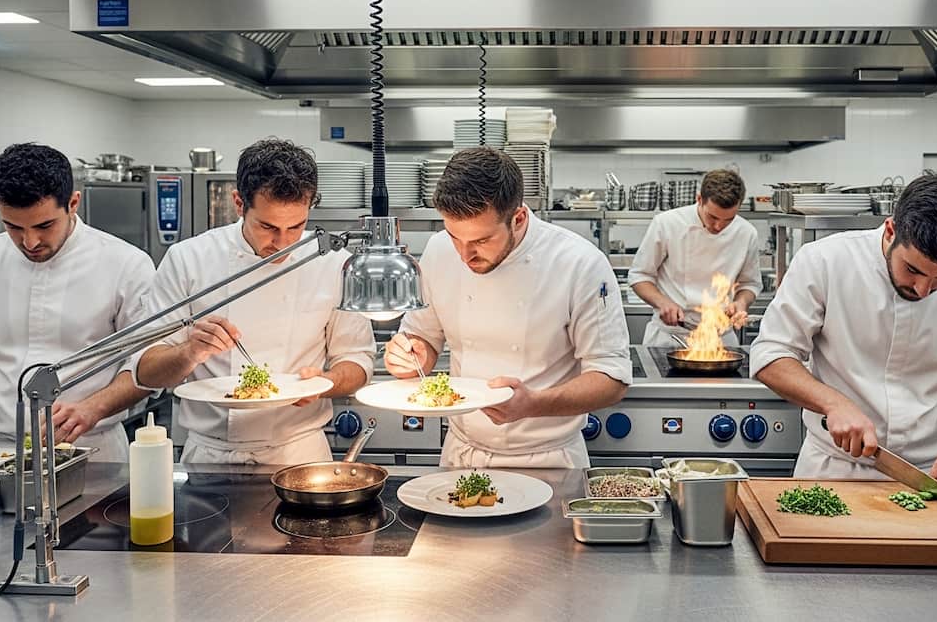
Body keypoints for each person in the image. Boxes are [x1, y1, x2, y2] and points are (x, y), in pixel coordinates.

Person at [750, 174, 937, 496]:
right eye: (913, 270)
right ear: (891, 230)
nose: (923, 290)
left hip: (930, 476)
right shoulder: (825, 261)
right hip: (833, 469)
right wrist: (833, 403)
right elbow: (772, 354)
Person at [383, 147, 632, 468]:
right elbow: (423, 338)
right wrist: (411, 356)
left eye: (481, 241)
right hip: (462, 453)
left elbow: (611, 379)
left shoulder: (579, 263)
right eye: (454, 236)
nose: (464, 255)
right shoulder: (439, 250)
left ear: (518, 219)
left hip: (548, 459)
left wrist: (534, 403)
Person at [130, 138, 374, 464]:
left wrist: (326, 382)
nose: (283, 243)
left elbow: (357, 360)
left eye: (296, 226)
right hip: (209, 455)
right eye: (268, 226)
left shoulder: (332, 263)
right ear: (238, 203)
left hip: (299, 452)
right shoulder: (188, 259)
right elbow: (145, 371)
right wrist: (189, 352)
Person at [0, 143, 155, 462]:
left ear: (73, 203)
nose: (30, 242)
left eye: (44, 226)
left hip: (93, 447)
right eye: (13, 227)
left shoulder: (126, 264)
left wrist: (93, 408)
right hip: (0, 448)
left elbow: (146, 363)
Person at [629, 169, 761, 347]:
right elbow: (639, 276)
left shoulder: (746, 233)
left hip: (720, 339)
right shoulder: (667, 223)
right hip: (672, 336)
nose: (719, 226)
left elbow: (749, 284)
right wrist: (662, 303)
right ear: (699, 199)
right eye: (712, 217)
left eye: (728, 219)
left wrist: (741, 302)